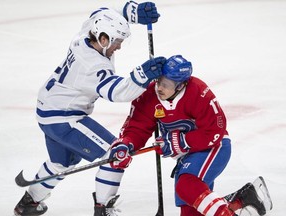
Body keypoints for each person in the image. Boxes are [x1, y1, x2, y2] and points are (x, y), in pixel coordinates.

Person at [14, 1, 166, 216]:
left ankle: (28, 204)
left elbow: (105, 11)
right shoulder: (93, 66)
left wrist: (134, 12)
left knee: (61, 162)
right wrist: (142, 74)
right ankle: (102, 208)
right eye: (117, 42)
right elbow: (117, 92)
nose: (119, 47)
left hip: (47, 110)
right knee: (116, 153)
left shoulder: (88, 31)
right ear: (103, 38)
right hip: (64, 118)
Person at [108, 55, 268, 216]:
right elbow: (137, 127)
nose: (159, 88)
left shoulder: (198, 91)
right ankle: (239, 202)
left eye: (166, 84)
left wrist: (180, 141)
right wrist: (126, 144)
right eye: (159, 81)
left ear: (180, 85)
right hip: (187, 156)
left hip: (213, 148)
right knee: (190, 211)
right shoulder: (149, 95)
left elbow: (214, 130)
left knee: (186, 185)